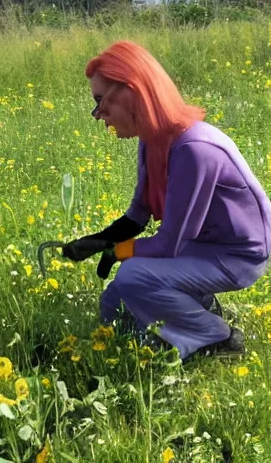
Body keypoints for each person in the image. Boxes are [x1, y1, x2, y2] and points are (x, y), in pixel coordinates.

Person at [62, 40, 271, 360]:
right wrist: (96, 241)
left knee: (133, 276)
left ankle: (218, 339)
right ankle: (198, 306)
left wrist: (119, 251)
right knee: (113, 304)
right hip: (204, 246)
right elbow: (138, 215)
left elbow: (171, 243)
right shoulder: (152, 141)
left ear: (131, 91)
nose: (98, 114)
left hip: (238, 255)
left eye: (100, 101)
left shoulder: (194, 149)